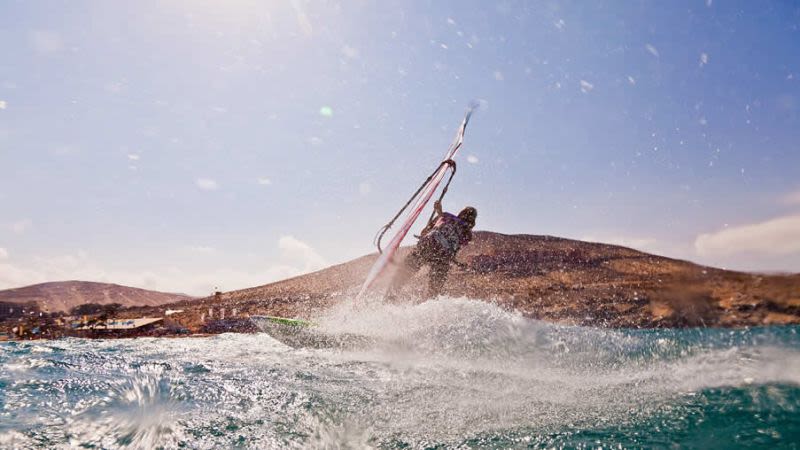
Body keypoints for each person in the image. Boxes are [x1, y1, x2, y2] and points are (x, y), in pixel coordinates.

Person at [387, 200, 477, 299]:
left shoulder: (447, 217)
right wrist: (439, 213)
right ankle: (428, 299)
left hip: (429, 247)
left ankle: (390, 295)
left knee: (404, 272)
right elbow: (454, 248)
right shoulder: (467, 234)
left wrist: (439, 213)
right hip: (441, 256)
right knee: (434, 290)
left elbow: (424, 232)